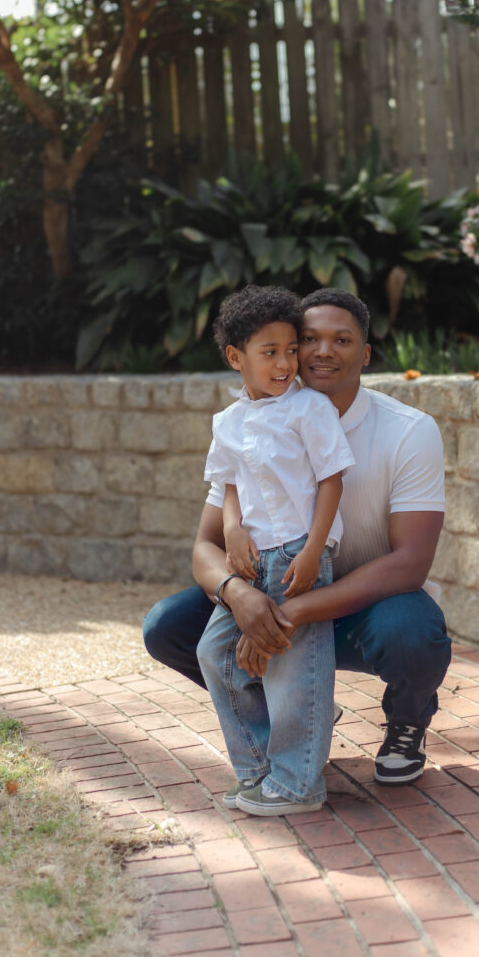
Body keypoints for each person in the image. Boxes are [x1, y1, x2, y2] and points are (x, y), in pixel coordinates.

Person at [144, 288, 451, 786]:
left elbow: (411, 562)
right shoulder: (253, 423)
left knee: (413, 632)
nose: (322, 351)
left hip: (362, 607)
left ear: (366, 354)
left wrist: (293, 613)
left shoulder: (408, 432)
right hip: (270, 591)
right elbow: (204, 548)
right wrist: (236, 593)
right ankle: (294, 708)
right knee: (168, 626)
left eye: (342, 339)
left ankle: (407, 721)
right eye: (308, 339)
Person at [195, 285, 355, 816]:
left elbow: (333, 481)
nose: (287, 363)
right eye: (271, 353)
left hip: (295, 556)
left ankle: (297, 785)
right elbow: (231, 483)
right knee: (215, 652)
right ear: (235, 358)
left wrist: (314, 551)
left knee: (294, 670)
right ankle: (258, 768)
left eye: (291, 349)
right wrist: (234, 530)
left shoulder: (309, 408)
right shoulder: (228, 421)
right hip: (251, 558)